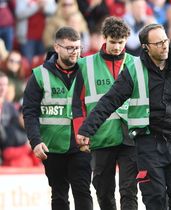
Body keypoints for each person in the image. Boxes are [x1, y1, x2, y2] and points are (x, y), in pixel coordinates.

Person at [76, 23, 171, 210]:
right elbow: (109, 101)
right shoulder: (133, 70)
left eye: (165, 41)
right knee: (155, 199)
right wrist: (87, 129)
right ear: (146, 47)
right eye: (158, 43)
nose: (164, 46)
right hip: (148, 142)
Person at [71, 16, 138, 210]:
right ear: (104, 38)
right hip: (100, 137)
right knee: (103, 189)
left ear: (126, 40)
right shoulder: (85, 65)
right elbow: (78, 104)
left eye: (121, 42)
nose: (117, 47)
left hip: (130, 137)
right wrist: (81, 133)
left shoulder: (137, 64)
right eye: (113, 42)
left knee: (129, 190)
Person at [22, 26, 92, 210]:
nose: (75, 52)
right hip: (51, 146)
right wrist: (35, 141)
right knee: (59, 194)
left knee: (83, 191)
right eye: (69, 48)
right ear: (57, 47)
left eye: (77, 47)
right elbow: (29, 112)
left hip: (82, 144)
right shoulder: (39, 75)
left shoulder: (88, 71)